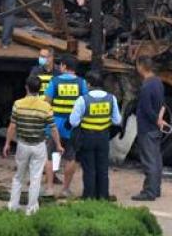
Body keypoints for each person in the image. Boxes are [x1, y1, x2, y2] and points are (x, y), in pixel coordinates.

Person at [4, 75, 64, 215]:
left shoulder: (18, 104)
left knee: (19, 176)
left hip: (22, 145)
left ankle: (13, 206)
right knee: (35, 178)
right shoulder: (46, 107)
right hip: (39, 145)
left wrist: (7, 143)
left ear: (26, 87)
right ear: (40, 89)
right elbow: (53, 128)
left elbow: (12, 126)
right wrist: (59, 145)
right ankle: (31, 209)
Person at [70, 71, 122, 199]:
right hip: (103, 137)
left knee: (89, 168)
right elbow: (117, 120)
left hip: (87, 137)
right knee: (103, 168)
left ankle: (89, 196)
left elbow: (73, 121)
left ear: (89, 84)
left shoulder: (83, 100)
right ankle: (103, 195)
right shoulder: (111, 98)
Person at [44, 53, 88, 197]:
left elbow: (46, 103)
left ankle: (49, 188)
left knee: (50, 155)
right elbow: (85, 104)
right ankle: (65, 189)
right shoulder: (81, 83)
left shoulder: (54, 82)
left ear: (63, 66)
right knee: (71, 157)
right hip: (73, 125)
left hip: (55, 123)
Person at [132, 56, 165, 201]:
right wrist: (160, 119)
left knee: (149, 160)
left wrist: (156, 120)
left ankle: (149, 192)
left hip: (147, 127)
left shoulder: (146, 86)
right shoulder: (158, 82)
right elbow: (162, 104)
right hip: (155, 128)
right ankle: (156, 189)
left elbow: (146, 108)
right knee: (156, 159)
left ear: (141, 66)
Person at [29, 47, 61, 196]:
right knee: (36, 145)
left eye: (44, 56)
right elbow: (30, 90)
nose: (41, 58)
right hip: (38, 113)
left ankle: (53, 174)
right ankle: (37, 174)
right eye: (40, 55)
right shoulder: (36, 71)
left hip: (53, 114)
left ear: (51, 57)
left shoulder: (58, 73)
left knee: (53, 148)